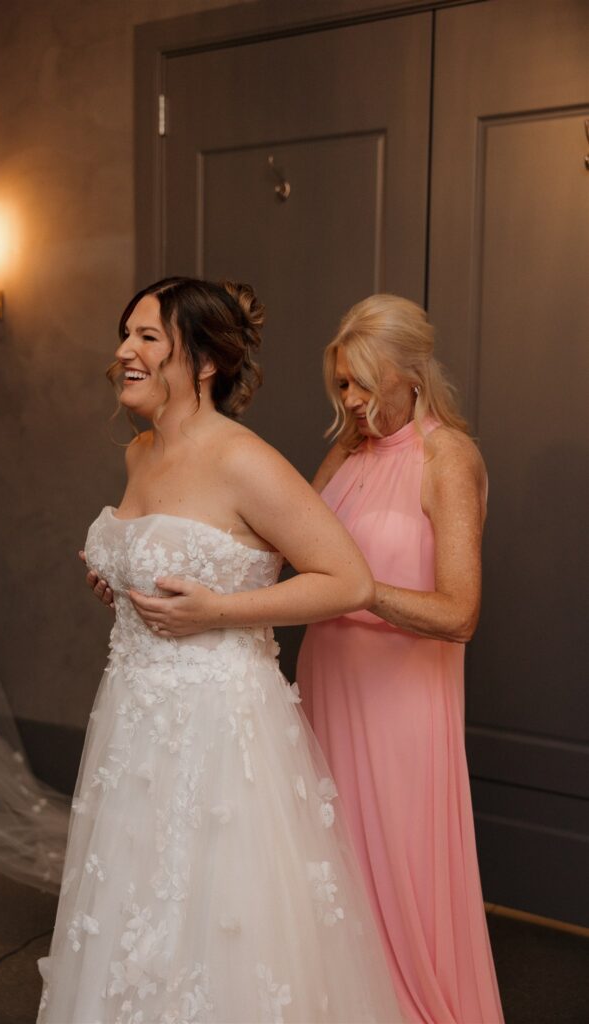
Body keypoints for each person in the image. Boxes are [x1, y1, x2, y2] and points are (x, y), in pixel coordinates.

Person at [38, 277, 402, 1024]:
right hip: (134, 724)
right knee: (136, 906)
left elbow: (349, 581)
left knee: (219, 917)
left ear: (203, 360)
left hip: (217, 727)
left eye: (146, 337)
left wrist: (217, 610)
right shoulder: (140, 454)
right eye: (125, 335)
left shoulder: (243, 460)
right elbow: (165, 550)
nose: (123, 352)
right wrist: (121, 582)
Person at [296, 294, 503, 1024]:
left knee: (396, 872)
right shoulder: (347, 452)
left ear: (407, 374)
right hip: (325, 685)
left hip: (400, 708)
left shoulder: (447, 457)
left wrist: (358, 590)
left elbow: (459, 613)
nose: (348, 401)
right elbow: (282, 550)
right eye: (340, 385)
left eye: (360, 383)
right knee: (327, 867)